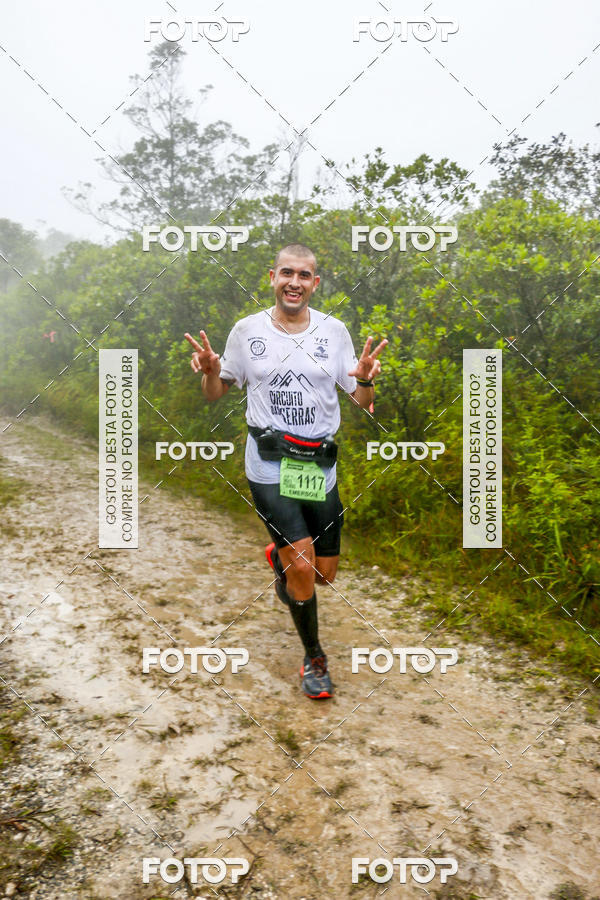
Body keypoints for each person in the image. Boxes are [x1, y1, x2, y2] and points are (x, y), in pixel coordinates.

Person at [184, 244, 387, 699]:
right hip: (269, 463)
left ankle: (279, 558)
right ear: (272, 277)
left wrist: (368, 379)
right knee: (302, 563)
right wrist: (211, 370)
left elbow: (361, 402)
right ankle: (314, 659)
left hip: (318, 465)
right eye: (287, 274)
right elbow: (215, 392)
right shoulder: (247, 330)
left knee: (324, 574)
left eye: (305, 275)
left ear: (316, 283)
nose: (294, 282)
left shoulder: (335, 332)